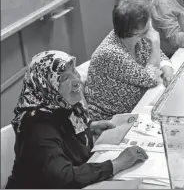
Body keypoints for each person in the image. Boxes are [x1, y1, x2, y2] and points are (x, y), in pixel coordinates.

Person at [5, 51, 148, 189]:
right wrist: (117, 164)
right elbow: (63, 178)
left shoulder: (61, 104)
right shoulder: (36, 126)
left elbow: (61, 130)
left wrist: (89, 127)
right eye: (64, 78)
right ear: (45, 86)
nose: (76, 80)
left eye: (73, 71)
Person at [85, 0, 174, 121]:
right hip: (111, 120)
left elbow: (159, 55)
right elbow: (150, 78)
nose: (150, 28)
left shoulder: (138, 37)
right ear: (133, 32)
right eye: (147, 28)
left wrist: (167, 70)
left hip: (139, 106)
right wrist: (155, 41)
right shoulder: (110, 53)